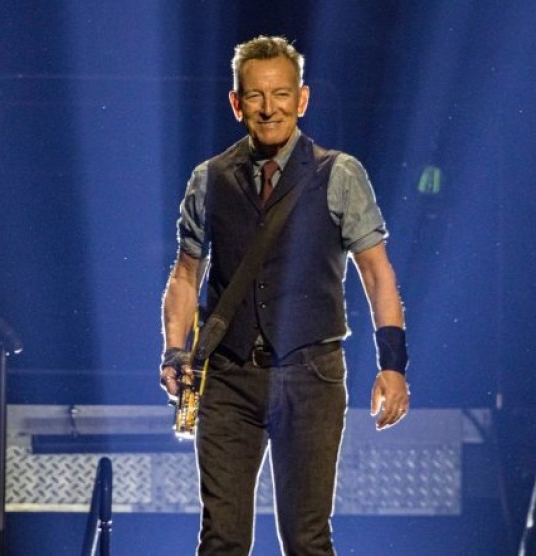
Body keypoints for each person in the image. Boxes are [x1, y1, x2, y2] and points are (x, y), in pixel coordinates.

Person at [160, 35, 410, 556]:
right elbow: (185, 275)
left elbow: (377, 273)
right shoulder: (209, 180)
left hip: (311, 375)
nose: (268, 108)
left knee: (306, 538)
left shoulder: (339, 174)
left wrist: (392, 365)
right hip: (229, 377)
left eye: (280, 94)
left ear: (302, 99)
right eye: (255, 95)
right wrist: (174, 352)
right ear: (236, 103)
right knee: (222, 539)